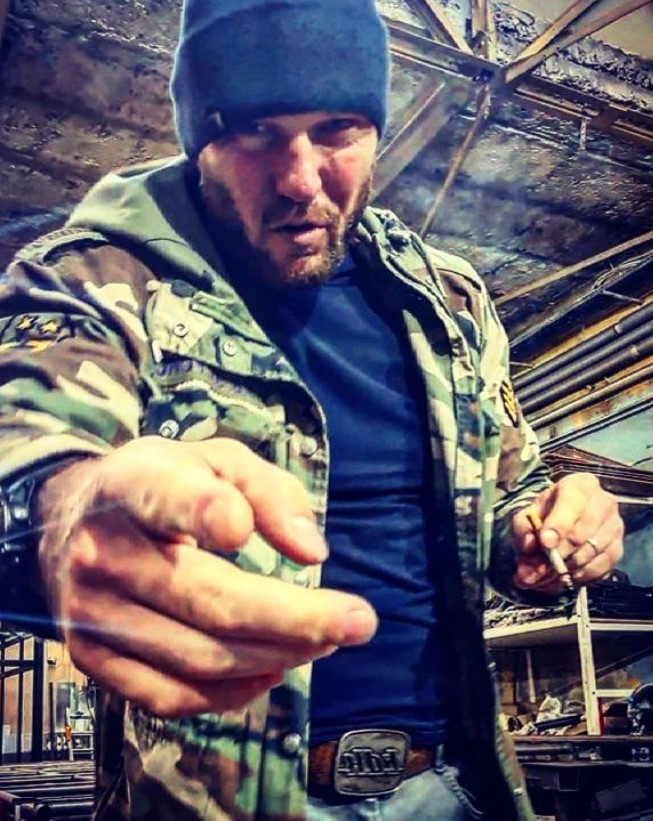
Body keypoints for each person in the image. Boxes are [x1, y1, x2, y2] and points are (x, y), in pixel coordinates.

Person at [0, 0, 623, 819]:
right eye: (256, 131)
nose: (299, 178)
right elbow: (34, 448)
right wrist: (68, 513)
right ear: (198, 140)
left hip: (449, 785)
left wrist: (550, 530)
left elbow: (511, 490)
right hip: (217, 802)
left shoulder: (449, 300)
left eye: (336, 130)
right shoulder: (96, 279)